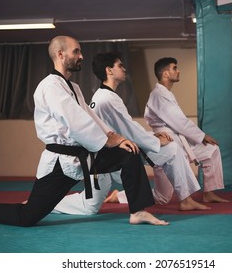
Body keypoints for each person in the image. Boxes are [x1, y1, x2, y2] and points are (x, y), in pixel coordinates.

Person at [0, 36, 168, 226]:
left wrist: (115, 138)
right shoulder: (50, 86)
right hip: (61, 162)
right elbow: (75, 122)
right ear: (61, 55)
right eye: (76, 51)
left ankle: (137, 211)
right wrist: (108, 141)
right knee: (28, 217)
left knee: (128, 153)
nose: (81, 56)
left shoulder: (74, 87)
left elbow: (91, 117)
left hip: (85, 154)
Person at [53, 52, 209, 216]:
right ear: (109, 70)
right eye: (120, 65)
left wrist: (153, 137)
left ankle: (182, 199)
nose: (124, 68)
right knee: (89, 207)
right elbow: (130, 130)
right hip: (108, 159)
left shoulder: (105, 96)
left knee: (89, 207)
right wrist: (155, 141)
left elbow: (127, 129)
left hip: (112, 154)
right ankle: (46, 203)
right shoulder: (107, 99)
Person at [144, 57, 229, 203]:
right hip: (167, 142)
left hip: (178, 140)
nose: (178, 71)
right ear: (165, 74)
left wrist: (201, 137)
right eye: (174, 68)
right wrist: (201, 136)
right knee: (162, 197)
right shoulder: (159, 95)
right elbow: (179, 122)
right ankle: (120, 196)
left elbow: (179, 123)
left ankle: (209, 193)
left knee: (211, 150)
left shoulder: (165, 93)